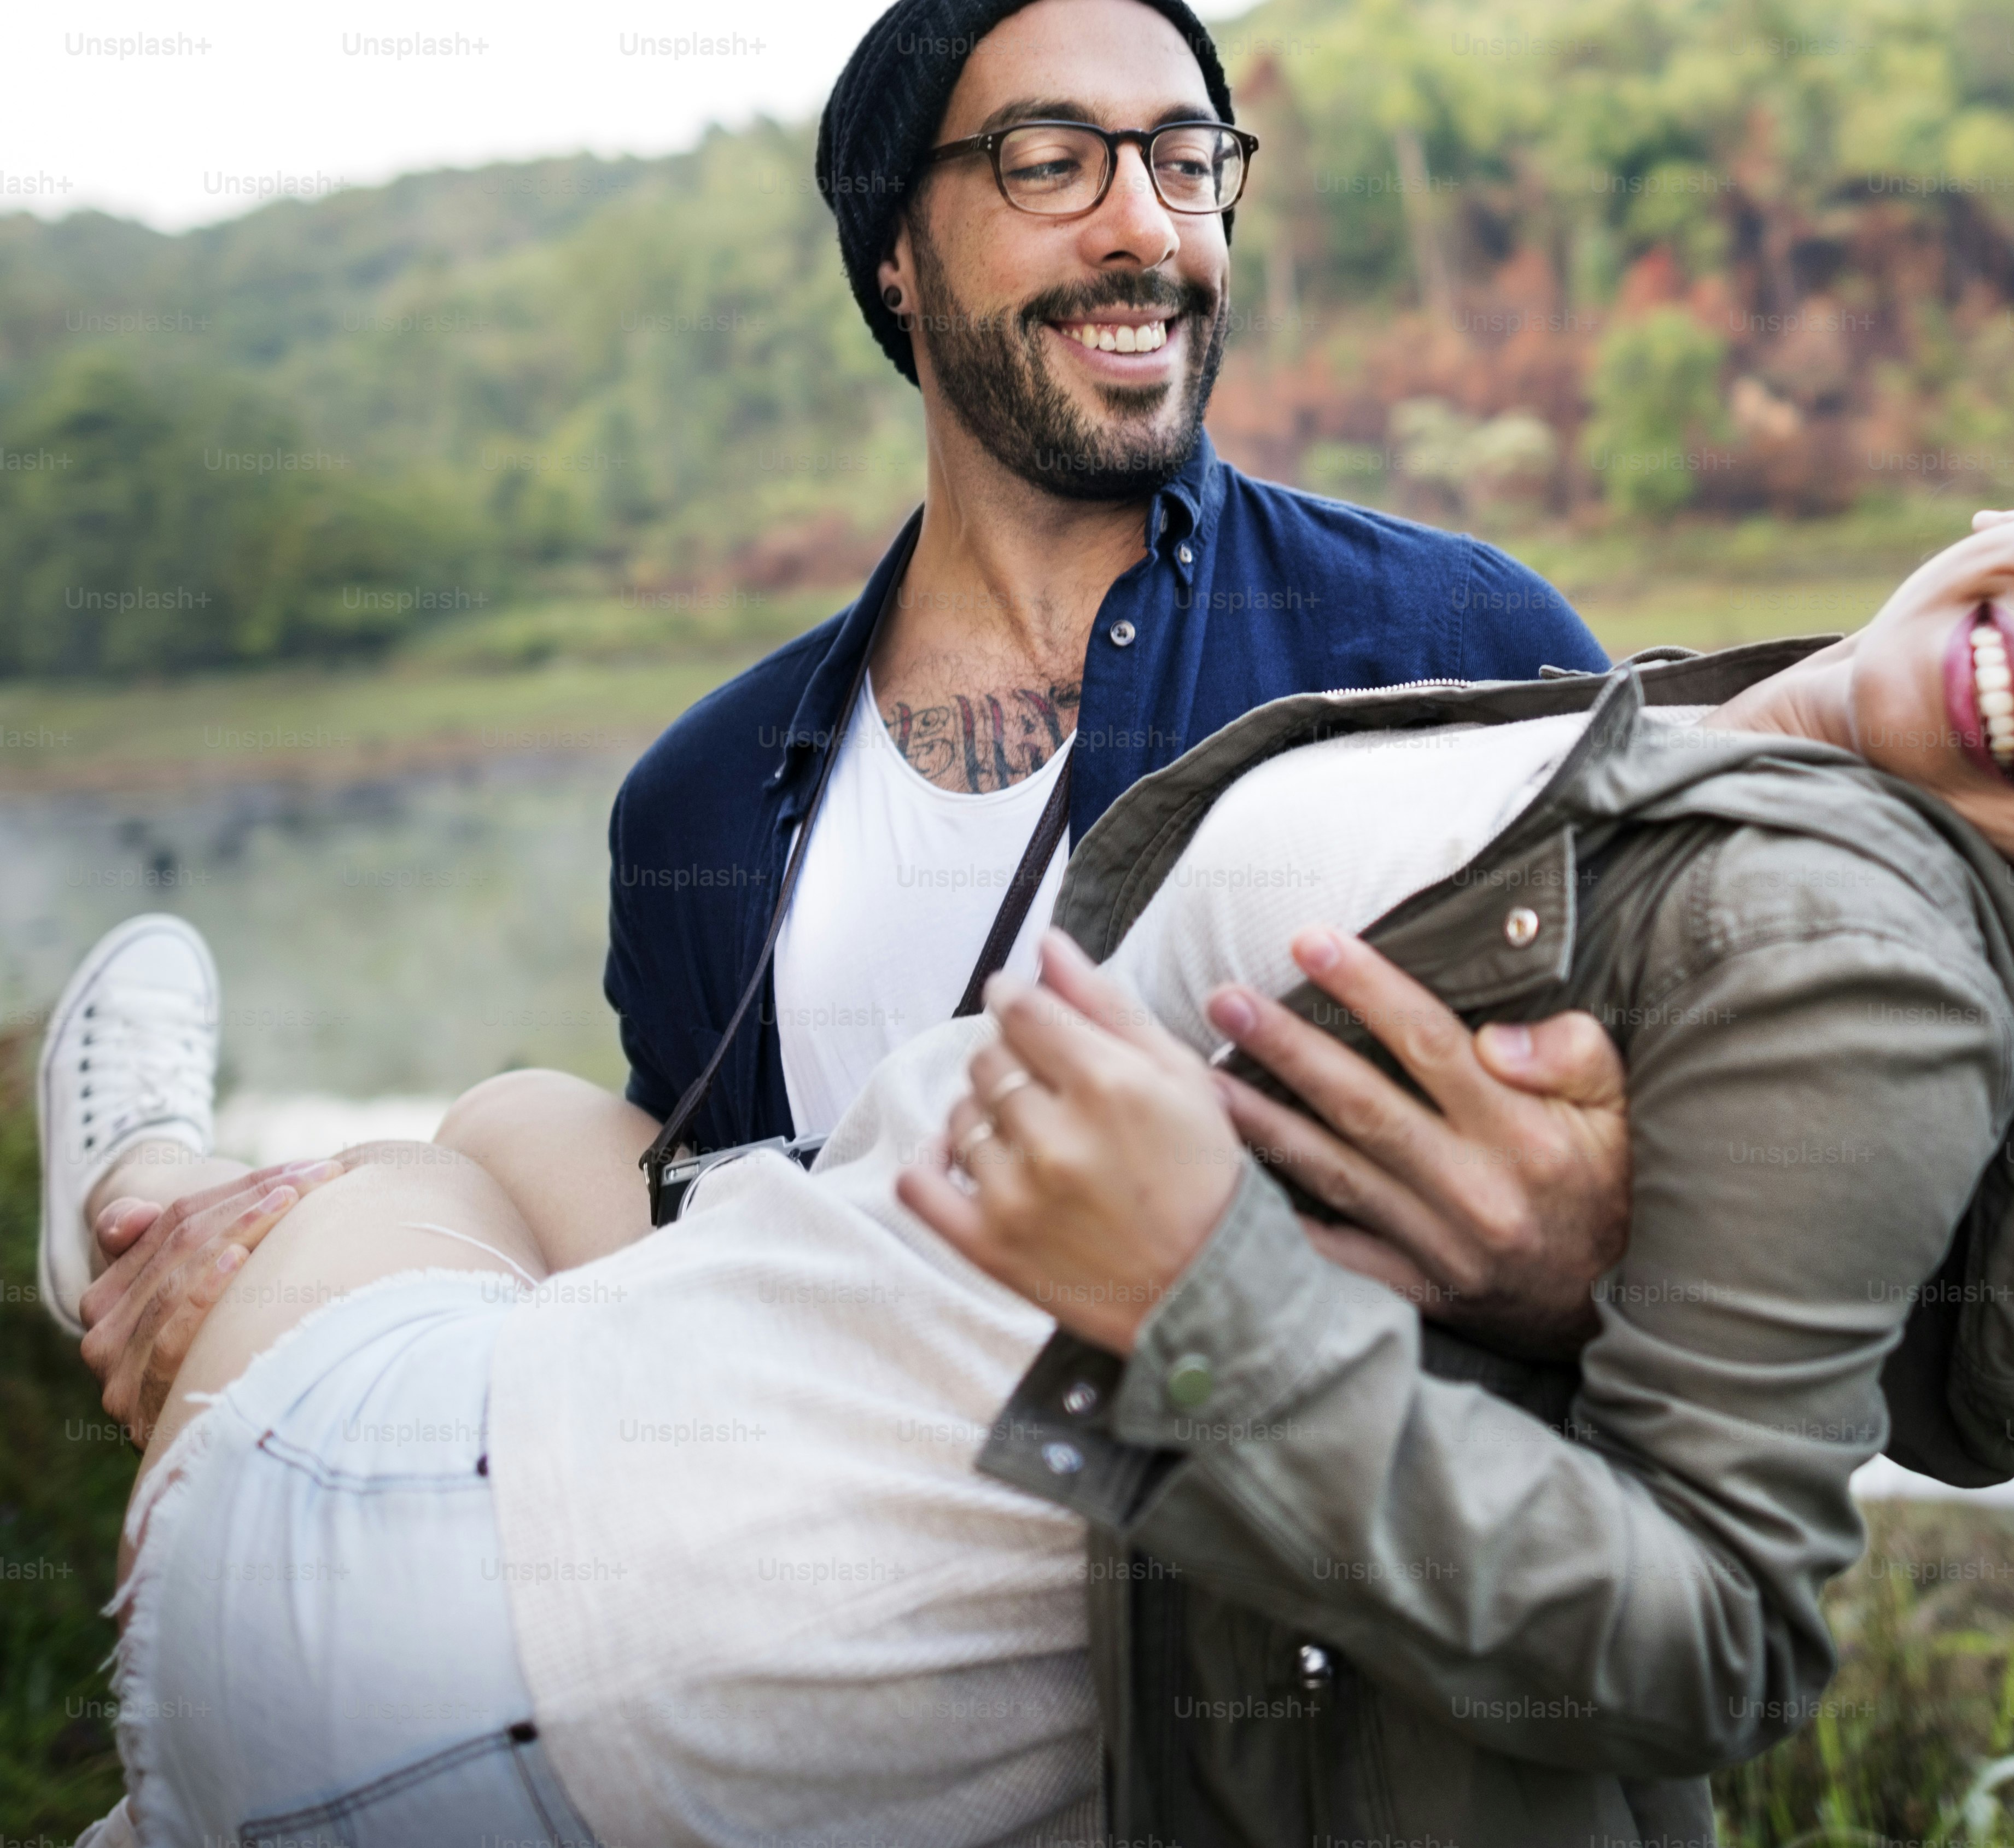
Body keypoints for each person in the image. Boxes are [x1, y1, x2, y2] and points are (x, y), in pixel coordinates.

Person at [42, 436, 2014, 1848]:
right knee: (544, 1125)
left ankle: (145, 1218)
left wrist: (1200, 1275)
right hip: (598, 1645)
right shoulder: (1708, 750)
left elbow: (1727, 1622)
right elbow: (1993, 1154)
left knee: (353, 1203)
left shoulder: (1839, 920)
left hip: (508, 1654)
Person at [52, 0, 1665, 1434]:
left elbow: (1719, 1166)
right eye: (1052, 162)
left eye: (1186, 160)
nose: (1145, 228)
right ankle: (166, 1201)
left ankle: (146, 1182)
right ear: (895, 249)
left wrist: (1575, 1256)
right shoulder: (699, 801)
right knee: (504, 1150)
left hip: (1252, 1626)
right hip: (821, 1584)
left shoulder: (1453, 646)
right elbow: (674, 1289)